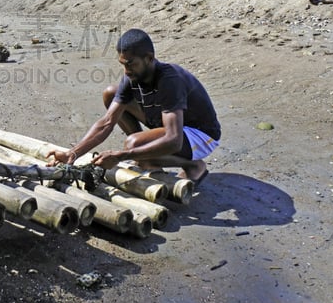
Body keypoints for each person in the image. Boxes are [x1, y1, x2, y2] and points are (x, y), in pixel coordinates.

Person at [47, 28, 220, 186]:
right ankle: (148, 157)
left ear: (149, 58)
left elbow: (174, 141)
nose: (126, 70)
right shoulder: (131, 77)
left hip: (201, 134)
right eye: (123, 64)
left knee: (132, 145)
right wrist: (73, 153)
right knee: (111, 93)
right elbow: (107, 122)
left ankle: (193, 165)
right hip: (169, 124)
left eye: (130, 64)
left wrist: (124, 155)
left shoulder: (169, 80)